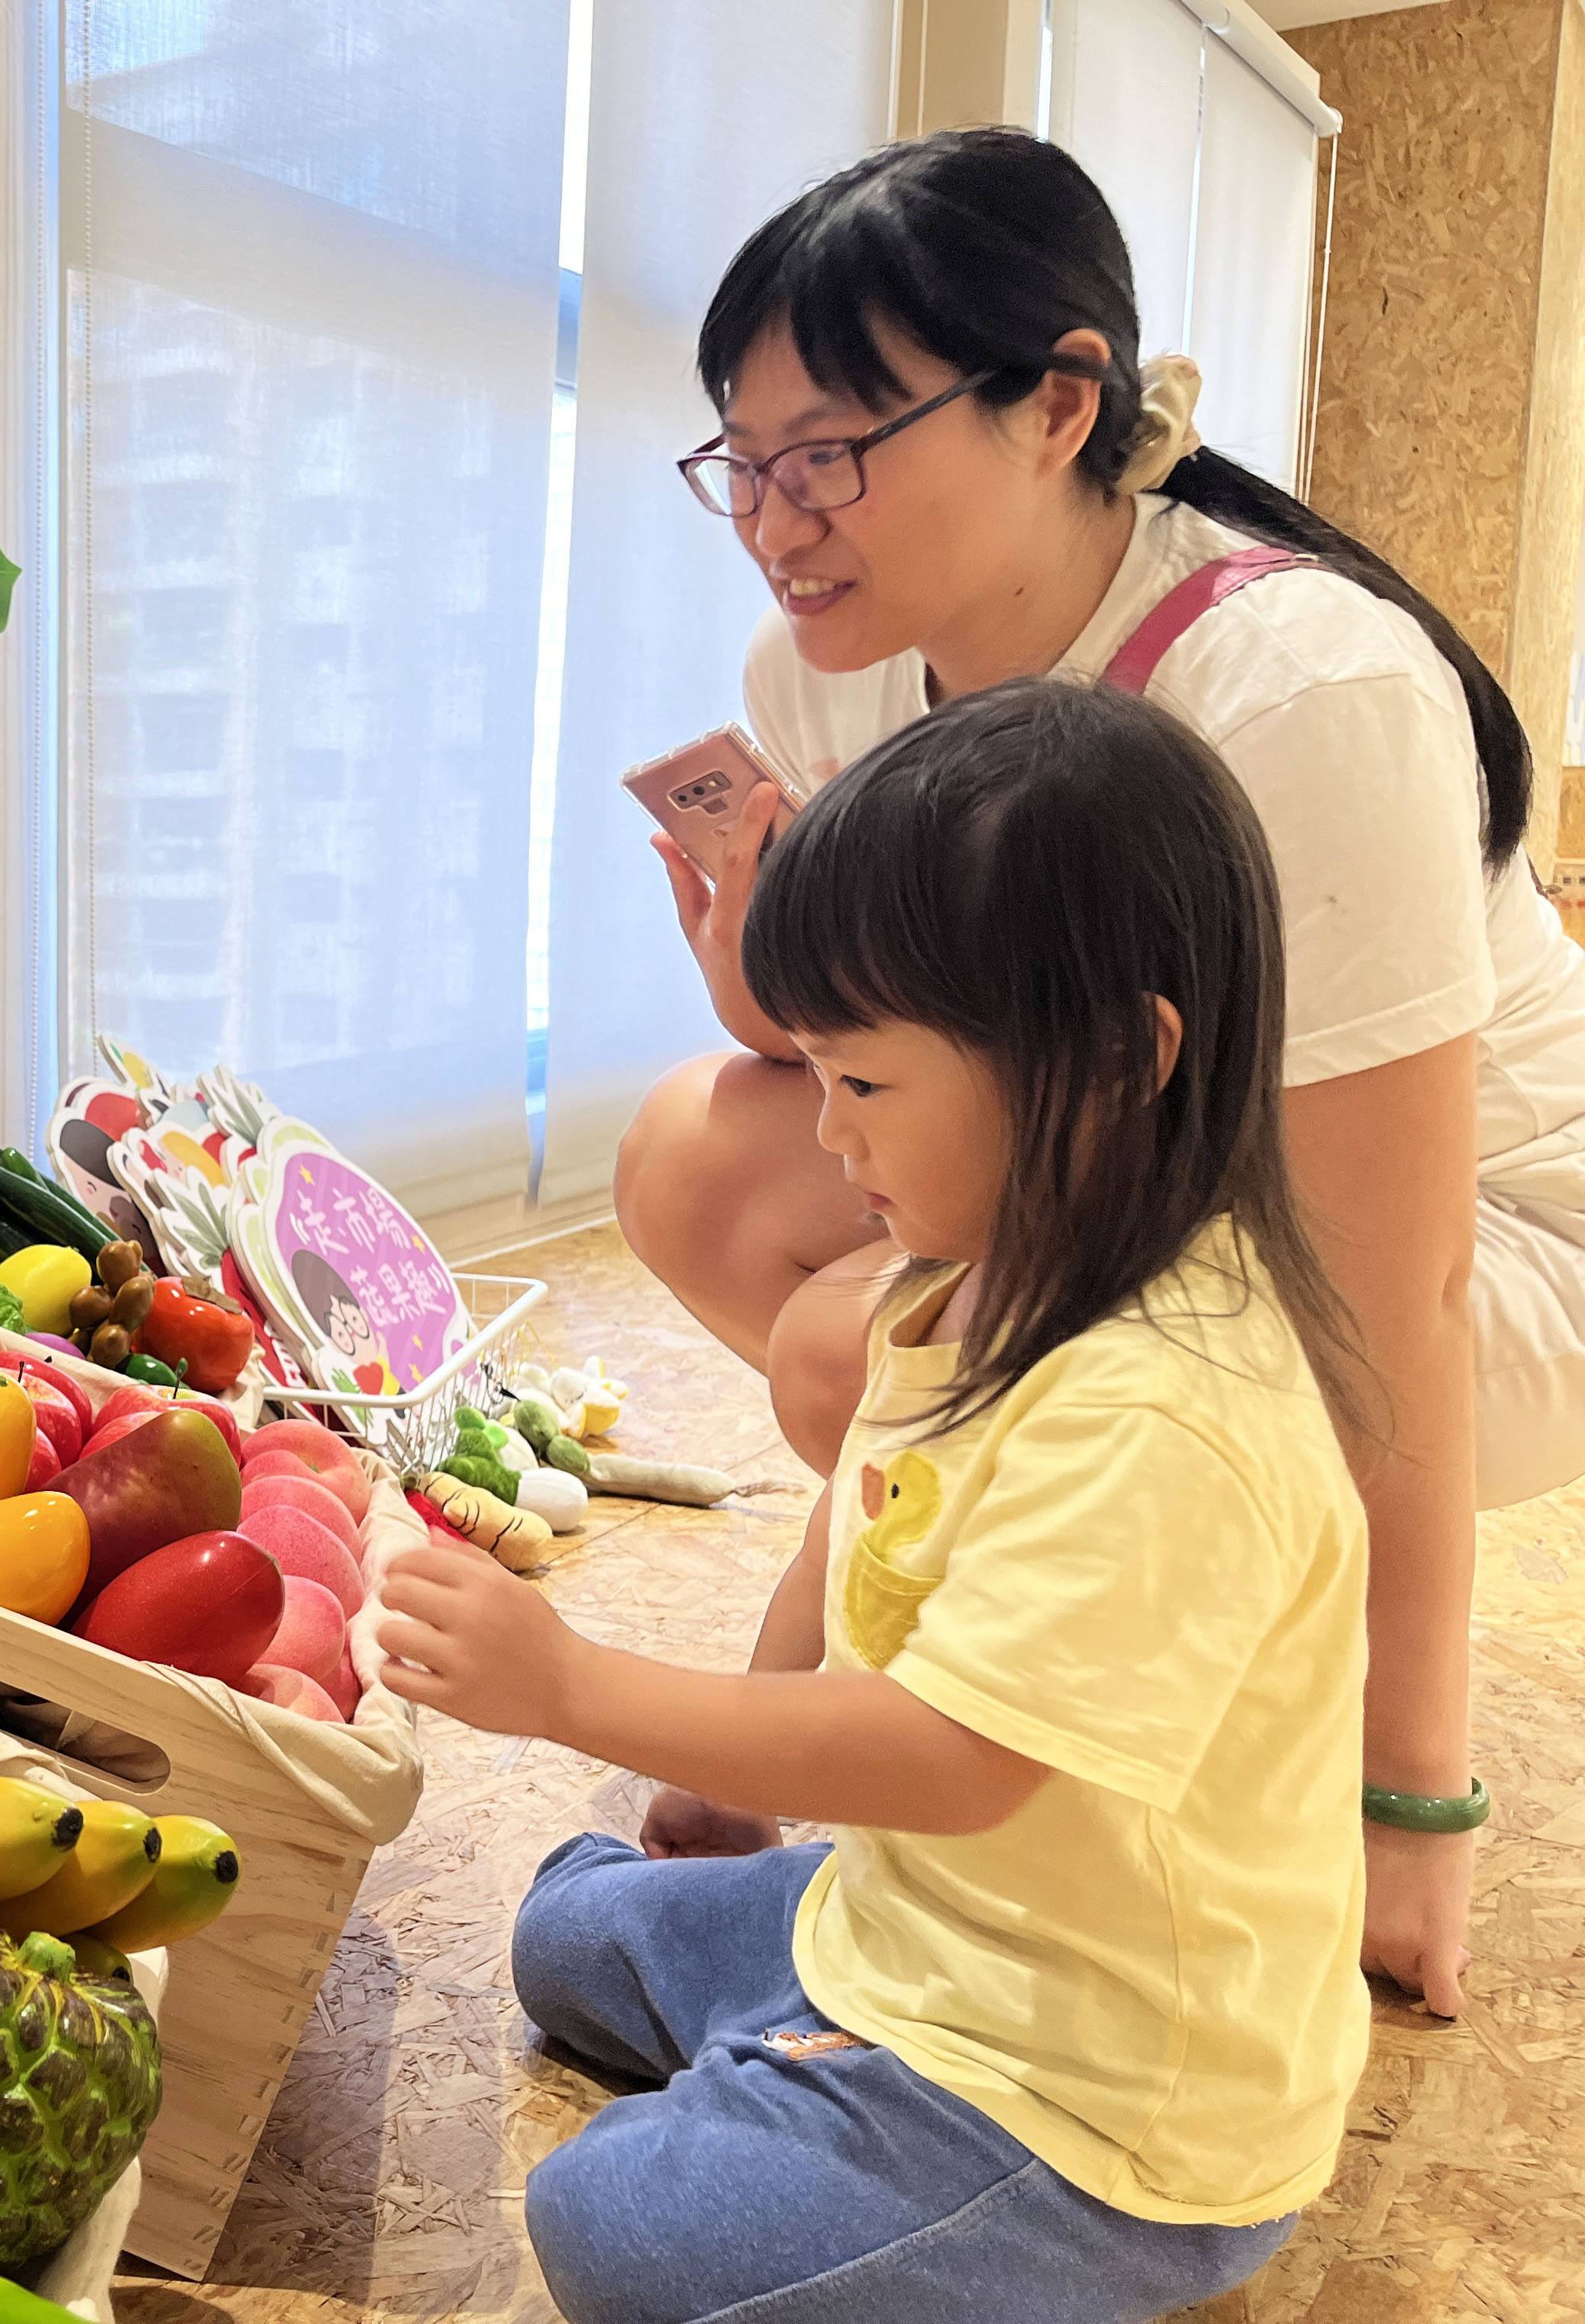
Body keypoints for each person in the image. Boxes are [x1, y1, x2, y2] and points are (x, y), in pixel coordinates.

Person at [611, 128, 1585, 2020]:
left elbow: (1405, 1281)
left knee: (872, 1335)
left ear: (1058, 403)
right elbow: (896, 1059)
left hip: (1505, 1257)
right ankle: (1051, 1606)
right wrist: (760, 974)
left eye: (830, 455)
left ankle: (1154, 1629)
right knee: (698, 1160)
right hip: (1150, 1169)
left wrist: (1410, 1803)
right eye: (743, 461)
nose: (775, 520)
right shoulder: (832, 664)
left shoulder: (1301, 691)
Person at [384, 681, 1371, 2319]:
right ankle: (798, 2062)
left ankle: (836, 2121)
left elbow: (957, 1760)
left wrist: (576, 1691)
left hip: (1096, 2105)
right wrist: (747, 1734)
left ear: (1117, 1059)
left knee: (607, 2227)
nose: (826, 1137)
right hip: (924, 1925)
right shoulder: (972, 1268)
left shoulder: (1166, 1405)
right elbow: (869, 1505)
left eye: (868, 1086)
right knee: (569, 1941)